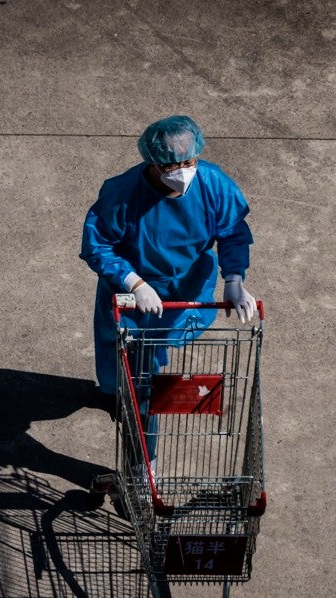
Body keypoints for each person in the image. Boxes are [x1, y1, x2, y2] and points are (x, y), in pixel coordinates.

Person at [80, 115, 257, 398]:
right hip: (133, 285)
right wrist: (134, 283)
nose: (182, 171)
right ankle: (114, 394)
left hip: (186, 281)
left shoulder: (214, 184)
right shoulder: (123, 194)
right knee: (119, 347)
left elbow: (233, 232)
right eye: (171, 165)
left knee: (158, 345)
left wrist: (234, 279)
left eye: (188, 162)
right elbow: (97, 245)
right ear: (153, 162)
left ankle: (143, 389)